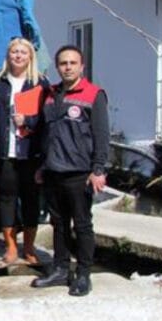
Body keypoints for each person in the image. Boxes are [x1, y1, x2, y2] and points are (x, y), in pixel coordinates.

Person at [32, 45, 109, 296]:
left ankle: (84, 273)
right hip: (53, 171)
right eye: (63, 63)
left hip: (79, 172)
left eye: (72, 63)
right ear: (57, 66)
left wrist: (98, 169)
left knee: (82, 225)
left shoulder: (94, 94)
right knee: (58, 224)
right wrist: (42, 165)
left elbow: (101, 135)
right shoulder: (51, 94)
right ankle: (61, 269)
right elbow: (46, 133)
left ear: (81, 66)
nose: (67, 67)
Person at [0, 37, 50, 264]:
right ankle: (11, 246)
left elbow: (47, 119)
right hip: (4, 152)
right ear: (8, 55)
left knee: (31, 199)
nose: (18, 56)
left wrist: (28, 121)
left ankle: (29, 247)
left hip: (30, 152)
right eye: (14, 51)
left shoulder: (40, 83)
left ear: (30, 56)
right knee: (7, 199)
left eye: (23, 52)